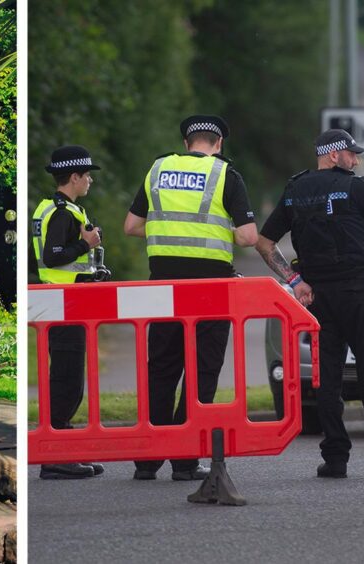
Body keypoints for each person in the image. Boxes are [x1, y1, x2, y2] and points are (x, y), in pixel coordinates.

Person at [255, 129, 364, 479]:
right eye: (351, 154)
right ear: (333, 154)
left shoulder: (295, 190)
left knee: (327, 378)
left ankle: (336, 459)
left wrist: (295, 282)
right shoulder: (355, 186)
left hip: (317, 296)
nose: (355, 160)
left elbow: (264, 243)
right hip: (358, 293)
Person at [124, 115, 258, 481]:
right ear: (218, 145)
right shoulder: (224, 174)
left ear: (186, 143)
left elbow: (132, 226)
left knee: (162, 370)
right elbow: (248, 237)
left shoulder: (158, 169)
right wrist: (216, 233)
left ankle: (148, 460)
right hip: (210, 290)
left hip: (164, 288)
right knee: (201, 372)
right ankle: (184, 459)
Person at [32, 145, 108, 480]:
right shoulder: (63, 213)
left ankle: (63, 446)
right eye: (87, 175)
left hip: (64, 300)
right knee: (68, 381)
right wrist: (86, 244)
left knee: (66, 377)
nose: (90, 180)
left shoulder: (55, 208)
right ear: (73, 177)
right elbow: (53, 256)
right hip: (64, 304)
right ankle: (56, 454)